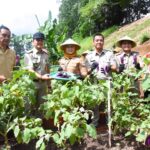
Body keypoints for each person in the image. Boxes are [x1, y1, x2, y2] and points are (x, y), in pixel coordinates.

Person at [85, 33, 117, 127]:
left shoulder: (109, 54)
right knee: (94, 105)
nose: (99, 42)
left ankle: (109, 124)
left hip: (107, 82)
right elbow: (86, 72)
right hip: (94, 83)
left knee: (109, 105)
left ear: (103, 42)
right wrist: (91, 67)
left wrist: (111, 67)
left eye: (101, 40)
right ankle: (93, 125)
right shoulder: (89, 56)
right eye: (97, 40)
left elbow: (114, 67)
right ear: (93, 42)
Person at [24, 32, 51, 117]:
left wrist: (49, 85)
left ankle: (40, 126)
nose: (40, 42)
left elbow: (47, 69)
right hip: (32, 84)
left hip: (43, 84)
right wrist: (42, 76)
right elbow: (30, 70)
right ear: (33, 42)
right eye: (37, 40)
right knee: (29, 106)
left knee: (41, 107)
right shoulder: (29, 54)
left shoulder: (46, 54)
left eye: (41, 40)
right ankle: (29, 126)